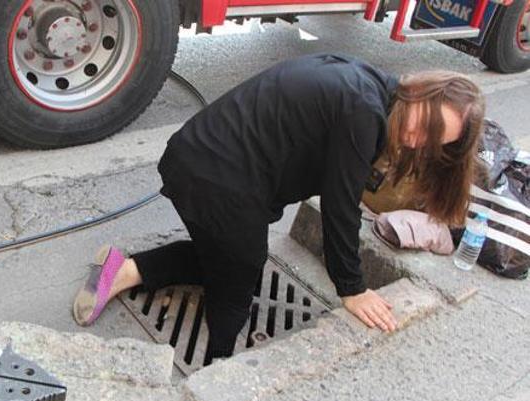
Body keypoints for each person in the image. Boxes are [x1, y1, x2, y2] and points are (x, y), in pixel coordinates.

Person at [72, 53, 486, 361]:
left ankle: (124, 270)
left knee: (235, 265)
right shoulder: (365, 112)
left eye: (434, 141)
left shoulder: (372, 88)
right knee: (237, 290)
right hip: (213, 178)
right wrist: (352, 290)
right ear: (420, 92)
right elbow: (340, 208)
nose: (418, 139)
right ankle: (219, 367)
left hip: (202, 161)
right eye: (426, 123)